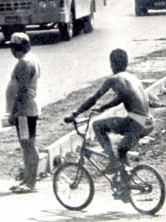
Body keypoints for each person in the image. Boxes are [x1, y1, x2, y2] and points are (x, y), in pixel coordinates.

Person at [64, 49, 154, 177]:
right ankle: (126, 181)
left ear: (112, 64)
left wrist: (75, 114)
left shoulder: (113, 79)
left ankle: (112, 160)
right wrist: (105, 107)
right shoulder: (132, 77)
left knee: (97, 125)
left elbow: (94, 98)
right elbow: (123, 97)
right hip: (148, 121)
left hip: (136, 122)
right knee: (122, 149)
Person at [4, 32, 41, 194]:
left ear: (17, 48)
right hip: (27, 108)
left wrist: (13, 113)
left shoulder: (24, 63)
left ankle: (31, 182)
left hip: (24, 110)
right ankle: (27, 179)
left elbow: (21, 91)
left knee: (28, 146)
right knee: (27, 145)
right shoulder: (32, 59)